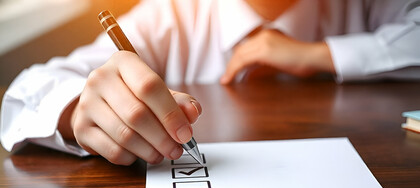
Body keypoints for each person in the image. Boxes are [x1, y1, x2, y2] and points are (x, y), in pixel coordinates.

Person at [1, 0, 420, 166]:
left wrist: (320, 54)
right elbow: (24, 94)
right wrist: (77, 110)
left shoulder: (366, 3)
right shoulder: (169, 16)